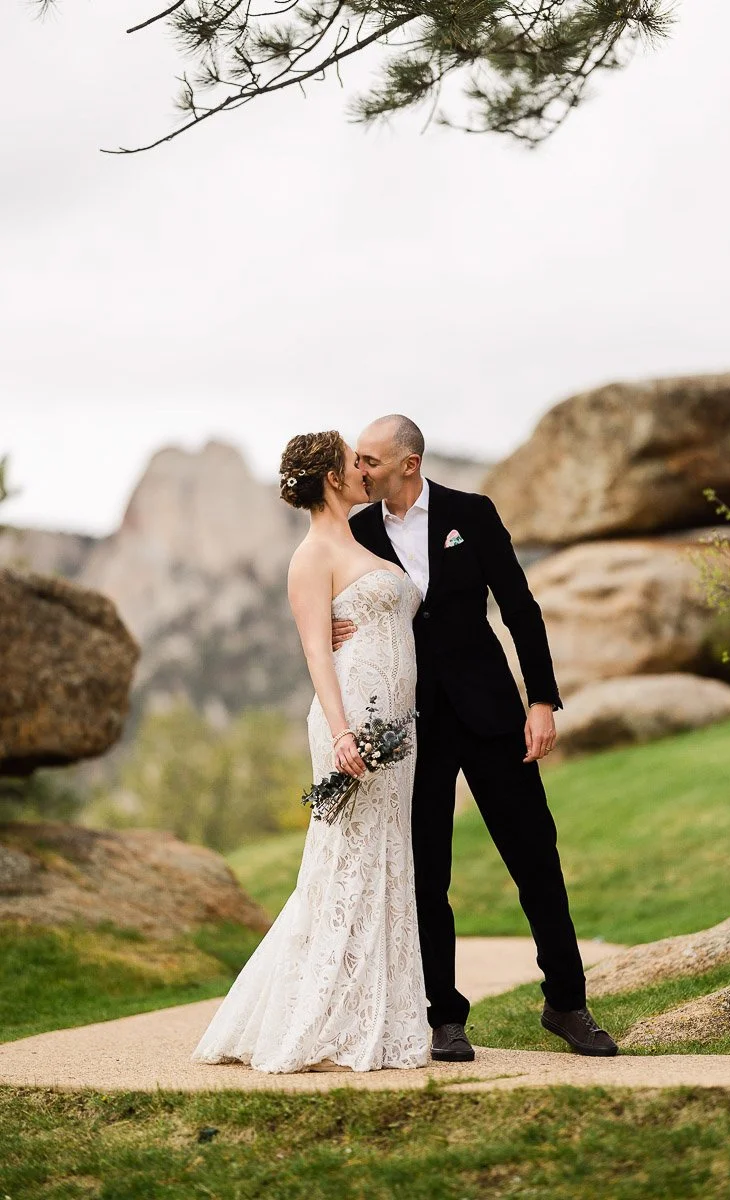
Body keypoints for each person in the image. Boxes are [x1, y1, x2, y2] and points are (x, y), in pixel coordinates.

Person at [333, 415, 618, 1060]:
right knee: (427, 875)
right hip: (412, 726)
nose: (360, 469)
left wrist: (541, 700)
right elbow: (332, 606)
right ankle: (444, 1017)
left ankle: (568, 1004)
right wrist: (329, 633)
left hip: (492, 715)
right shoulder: (357, 532)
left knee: (536, 861)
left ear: (410, 462)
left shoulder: (472, 512)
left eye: (371, 459)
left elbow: (520, 607)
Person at [191, 430, 429, 1073]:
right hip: (351, 723)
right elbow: (315, 653)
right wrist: (345, 730)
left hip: (398, 727)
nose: (363, 471)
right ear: (330, 476)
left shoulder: (362, 542)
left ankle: (380, 1017)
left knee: (384, 860)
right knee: (342, 865)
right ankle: (317, 1023)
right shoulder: (311, 555)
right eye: (354, 463)